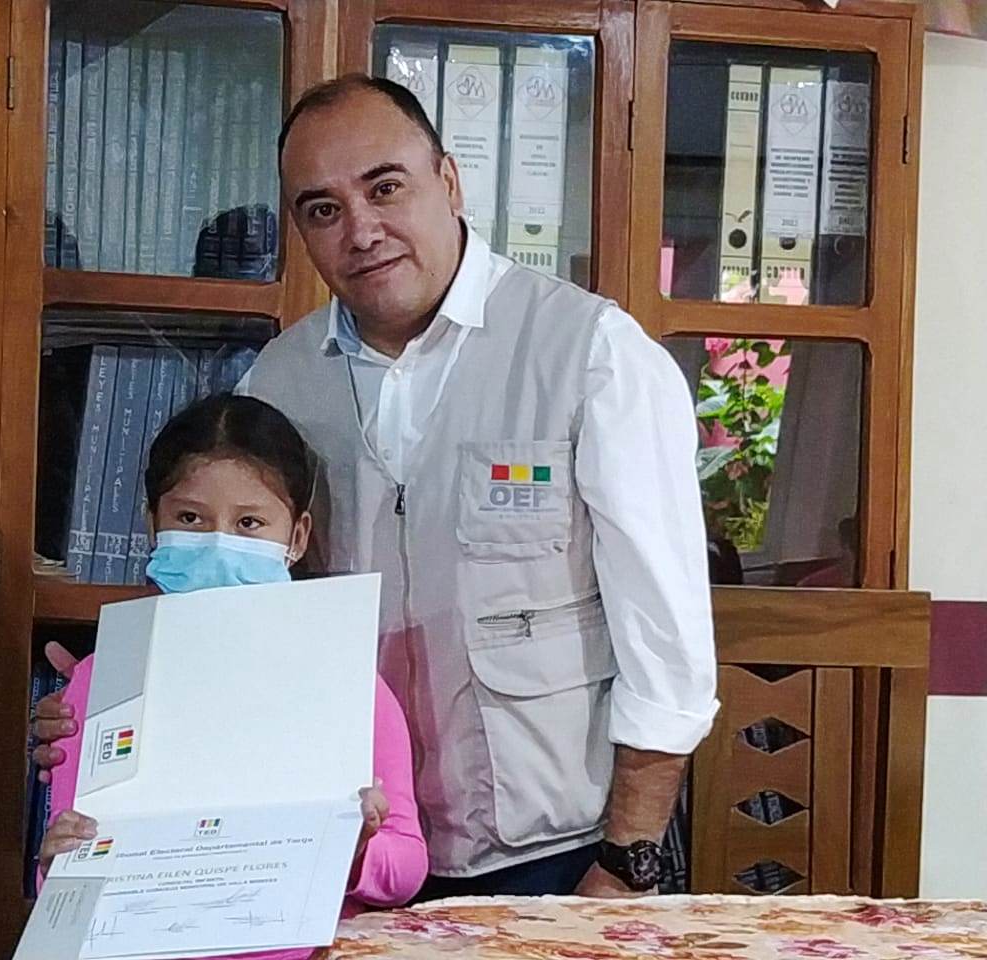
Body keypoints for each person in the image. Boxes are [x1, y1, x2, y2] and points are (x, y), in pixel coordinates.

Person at [39, 75, 717, 900]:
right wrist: (109, 704)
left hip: (559, 854)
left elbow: (665, 637)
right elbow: (229, 606)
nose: (361, 231)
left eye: (385, 188)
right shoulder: (278, 381)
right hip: (341, 850)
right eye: (323, 209)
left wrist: (627, 857)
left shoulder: (590, 353)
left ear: (449, 181)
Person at [38, 394, 427, 958]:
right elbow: (65, 869)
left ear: (296, 538)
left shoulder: (347, 683)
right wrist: (57, 860)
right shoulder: (104, 680)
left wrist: (355, 851)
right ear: (153, 524)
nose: (219, 543)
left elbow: (407, 866)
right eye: (190, 519)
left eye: (249, 523)